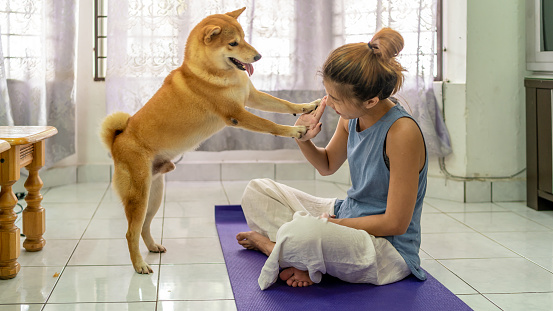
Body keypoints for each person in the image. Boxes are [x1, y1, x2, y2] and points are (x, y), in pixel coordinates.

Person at [236, 27, 427, 290]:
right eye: (328, 94)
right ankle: (298, 254)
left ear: (371, 101)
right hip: (347, 214)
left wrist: (331, 225)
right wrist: (302, 138)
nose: (327, 102)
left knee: (305, 233)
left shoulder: (402, 132)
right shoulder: (352, 116)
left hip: (386, 248)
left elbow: (395, 222)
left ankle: (272, 247)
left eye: (336, 99)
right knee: (257, 191)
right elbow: (326, 165)